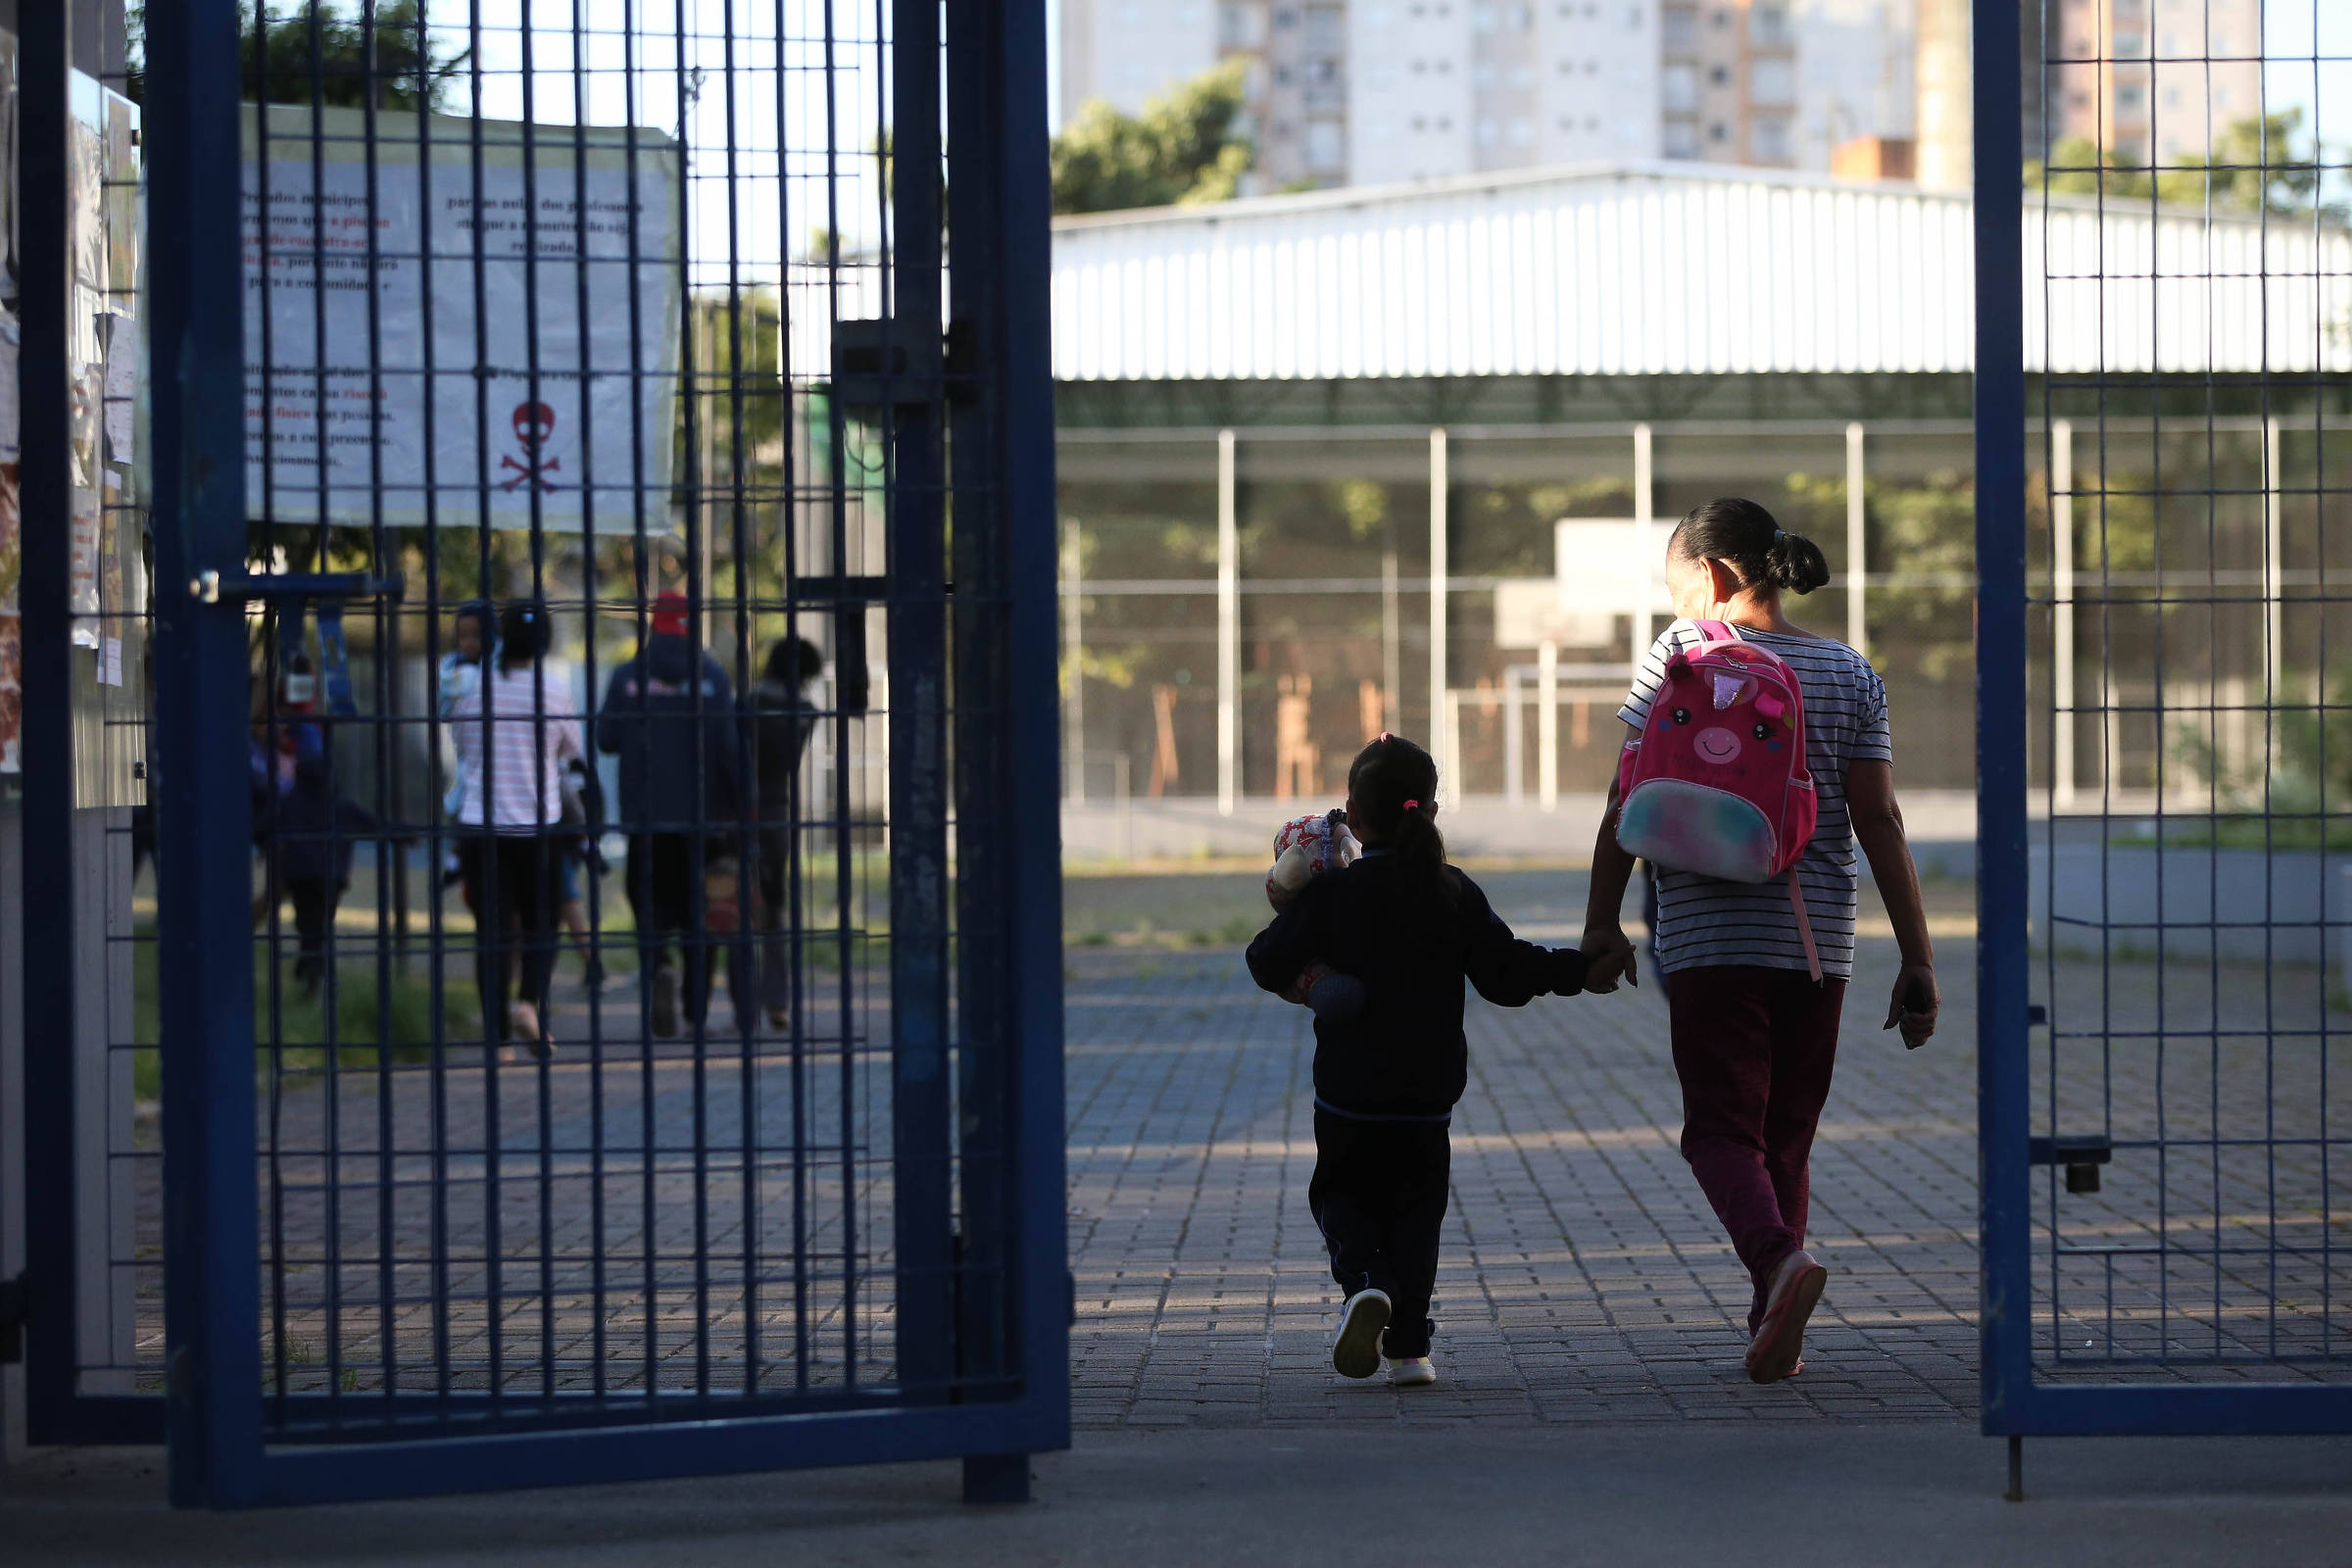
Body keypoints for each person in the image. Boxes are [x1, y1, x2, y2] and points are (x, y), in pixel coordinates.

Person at [1580, 497, 1939, 1386]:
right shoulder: (1850, 670)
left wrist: (1602, 922)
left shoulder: (1682, 651)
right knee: (1786, 1138)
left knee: (1716, 1132)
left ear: (1710, 575)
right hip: (1821, 948)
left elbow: (1625, 800)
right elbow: (1879, 820)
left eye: (1676, 582)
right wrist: (1918, 956)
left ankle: (1780, 1267)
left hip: (1710, 937)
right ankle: (1776, 1324)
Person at [1247, 734, 1590, 1389]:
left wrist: (1315, 978)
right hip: (1428, 1097)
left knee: (1340, 1196)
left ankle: (1366, 1282)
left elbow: (1265, 961)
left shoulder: (1332, 895)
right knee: (1417, 1212)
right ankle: (1409, 1348)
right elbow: (1508, 976)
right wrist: (1579, 970)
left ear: (1352, 812)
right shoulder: (1453, 892)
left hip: (1348, 1094)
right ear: (1431, 812)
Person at [597, 592, 747, 1038]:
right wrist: (740, 808)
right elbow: (728, 751)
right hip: (701, 821)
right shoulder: (713, 679)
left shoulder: (627, 677)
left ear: (652, 626)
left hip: (645, 819)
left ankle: (658, 962)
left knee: (648, 904)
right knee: (699, 913)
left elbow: (605, 737)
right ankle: (694, 1010)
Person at [450, 600, 582, 1057]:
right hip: (536, 826)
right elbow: (570, 750)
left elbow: (464, 747)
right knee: (542, 924)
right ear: (544, 641)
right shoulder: (554, 689)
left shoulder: (473, 686)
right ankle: (528, 1003)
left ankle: (496, 1038)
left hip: (480, 826)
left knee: (492, 932)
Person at [747, 634, 823, 1026]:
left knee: (737, 903)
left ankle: (743, 1004)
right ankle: (777, 1001)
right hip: (778, 809)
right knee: (774, 907)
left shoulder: (747, 704)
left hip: (740, 809)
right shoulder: (806, 711)